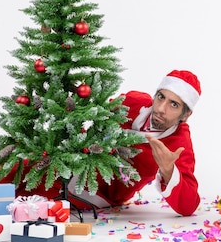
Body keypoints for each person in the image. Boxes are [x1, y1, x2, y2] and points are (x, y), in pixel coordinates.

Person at [83, 69, 202, 216]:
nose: (160, 109)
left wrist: (168, 170)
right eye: (160, 97)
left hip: (98, 198)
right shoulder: (133, 101)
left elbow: (189, 206)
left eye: (174, 105)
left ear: (186, 115)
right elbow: (98, 112)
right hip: (67, 162)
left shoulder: (179, 143)